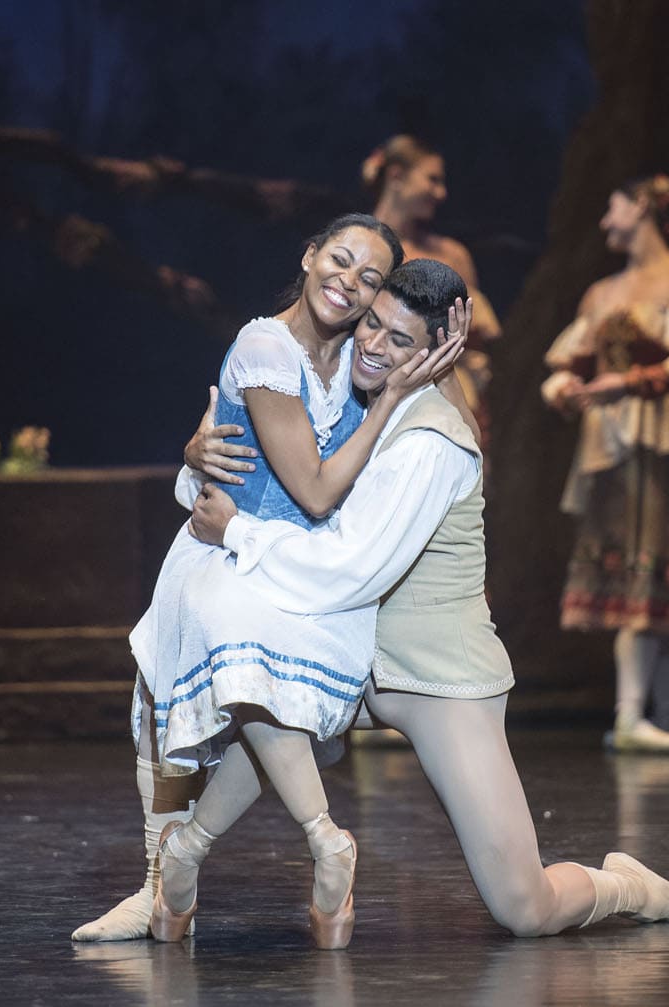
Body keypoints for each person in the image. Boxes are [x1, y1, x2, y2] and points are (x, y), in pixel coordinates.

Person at [170, 258, 669, 941]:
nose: (373, 343)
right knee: (268, 692)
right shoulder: (362, 397)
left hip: (437, 675)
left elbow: (346, 567)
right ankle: (178, 859)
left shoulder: (431, 442)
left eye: (400, 340)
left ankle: (627, 883)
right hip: (359, 657)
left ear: (439, 351)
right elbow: (280, 476)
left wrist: (235, 532)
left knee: (523, 908)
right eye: (372, 323)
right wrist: (196, 457)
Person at [71, 214, 461, 945]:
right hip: (229, 553)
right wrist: (195, 461)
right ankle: (167, 879)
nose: (348, 283)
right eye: (339, 261)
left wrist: (420, 374)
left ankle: (206, 866)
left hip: (297, 567)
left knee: (265, 705)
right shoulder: (264, 345)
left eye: (369, 278)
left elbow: (317, 490)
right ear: (309, 256)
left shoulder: (361, 354)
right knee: (176, 714)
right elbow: (308, 488)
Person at [541, 174, 669, 752]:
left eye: (614, 207)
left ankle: (667, 715)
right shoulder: (601, 292)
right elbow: (571, 364)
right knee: (633, 559)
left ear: (643, 208)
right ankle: (630, 716)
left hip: (663, 435)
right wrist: (566, 391)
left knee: (665, 559)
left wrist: (631, 383)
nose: (606, 221)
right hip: (609, 443)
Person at [365, 134, 502, 451]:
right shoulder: (360, 246)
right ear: (397, 176)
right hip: (371, 392)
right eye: (432, 179)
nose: (441, 193)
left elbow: (474, 349)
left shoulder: (453, 257)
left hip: (442, 400)